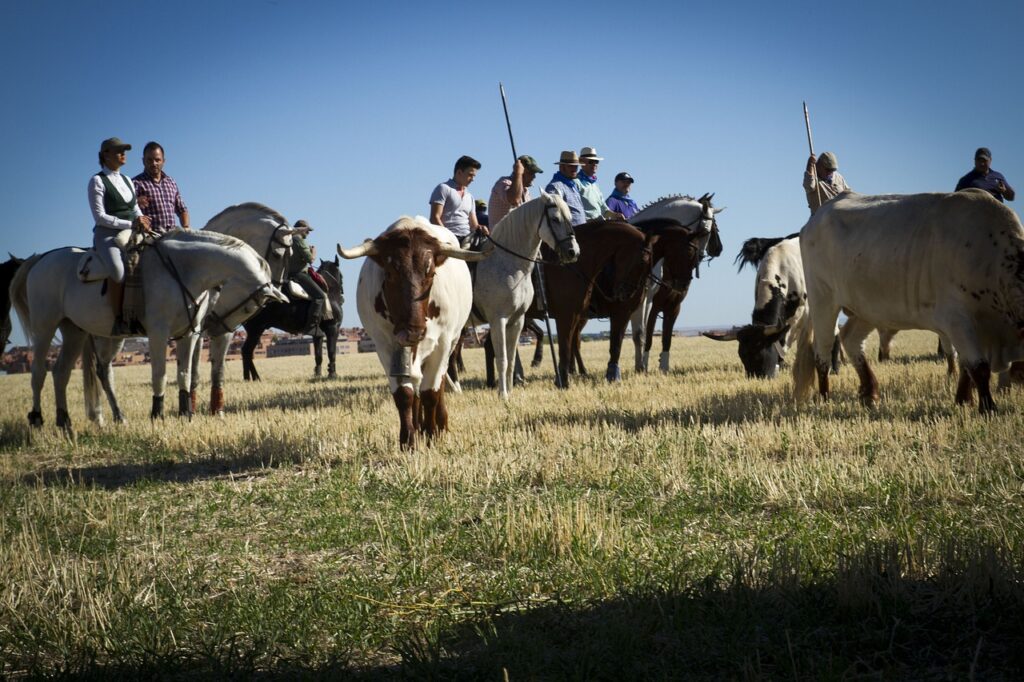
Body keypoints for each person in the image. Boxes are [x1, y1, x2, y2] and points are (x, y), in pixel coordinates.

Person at [89, 137, 152, 335]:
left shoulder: (127, 180)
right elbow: (100, 217)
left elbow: (134, 208)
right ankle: (119, 319)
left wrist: (142, 220)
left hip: (132, 232)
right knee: (118, 271)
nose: (123, 154)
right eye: (118, 151)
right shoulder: (97, 181)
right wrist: (131, 223)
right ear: (105, 155)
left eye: (124, 151)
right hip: (106, 235)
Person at [429, 155, 489, 247]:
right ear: (459, 172)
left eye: (474, 176)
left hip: (467, 239)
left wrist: (480, 228)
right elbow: (434, 218)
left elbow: (474, 225)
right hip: (448, 238)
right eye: (470, 175)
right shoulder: (443, 188)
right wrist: (448, 238)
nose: (473, 179)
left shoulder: (470, 196)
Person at [132, 141, 190, 234]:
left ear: (163, 161)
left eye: (157, 160)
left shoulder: (171, 182)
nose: (154, 163)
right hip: (149, 237)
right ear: (143, 161)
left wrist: (186, 228)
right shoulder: (135, 183)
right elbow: (128, 210)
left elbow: (182, 209)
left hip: (172, 236)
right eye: (149, 160)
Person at [288, 220, 328, 332]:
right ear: (302, 229)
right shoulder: (298, 240)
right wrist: (313, 252)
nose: (308, 233)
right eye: (307, 230)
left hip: (287, 273)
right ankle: (311, 326)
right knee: (320, 296)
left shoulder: (288, 239)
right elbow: (310, 259)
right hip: (299, 274)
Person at [488, 154, 544, 226]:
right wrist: (518, 173)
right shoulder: (503, 183)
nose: (534, 177)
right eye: (531, 173)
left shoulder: (526, 192)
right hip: (502, 236)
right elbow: (514, 200)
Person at [576, 147, 623, 221]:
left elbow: (604, 210)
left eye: (596, 161)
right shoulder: (576, 182)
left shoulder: (595, 185)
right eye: (591, 161)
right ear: (582, 162)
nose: (594, 164)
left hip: (598, 225)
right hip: (586, 227)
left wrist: (616, 215)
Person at [545, 151, 587, 226]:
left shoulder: (572, 185)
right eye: (571, 166)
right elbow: (552, 215)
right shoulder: (555, 187)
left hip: (580, 232)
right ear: (562, 167)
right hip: (569, 233)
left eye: (576, 166)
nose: (574, 169)